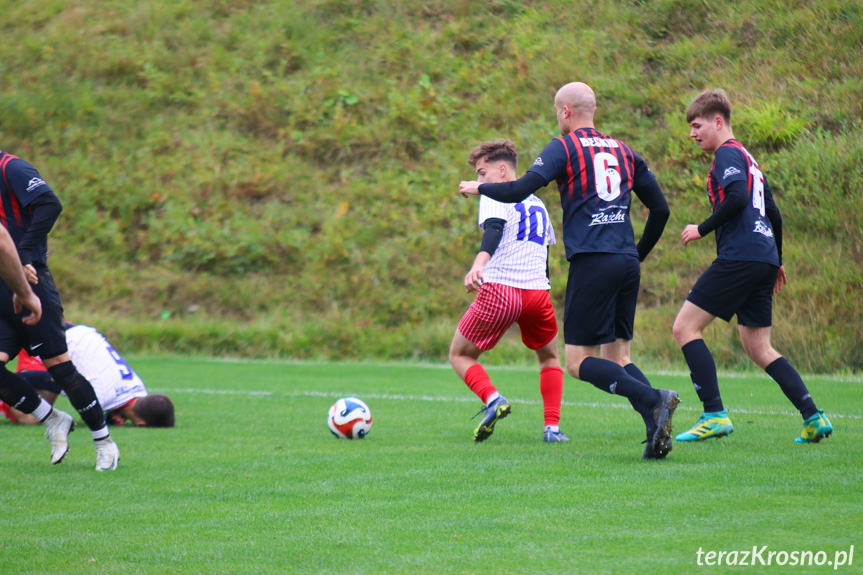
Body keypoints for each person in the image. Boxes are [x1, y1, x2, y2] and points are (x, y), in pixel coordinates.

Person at [459, 82, 678, 459]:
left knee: (577, 362)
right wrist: (636, 254)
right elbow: (661, 210)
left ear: (565, 112)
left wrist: (478, 188)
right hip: (626, 262)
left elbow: (517, 188)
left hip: (593, 261)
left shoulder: (564, 148)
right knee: (619, 358)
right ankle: (655, 428)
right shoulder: (625, 151)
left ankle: (654, 398)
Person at [671, 89, 833, 444]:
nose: (692, 134)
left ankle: (713, 413)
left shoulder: (726, 155)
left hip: (741, 255)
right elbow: (772, 212)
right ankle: (813, 417)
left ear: (718, 121)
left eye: (697, 126)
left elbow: (739, 197)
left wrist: (702, 228)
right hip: (763, 257)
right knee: (759, 347)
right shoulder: (748, 157)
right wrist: (776, 260)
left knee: (685, 328)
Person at [0, 149, 120, 470]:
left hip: (31, 280)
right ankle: (52, 419)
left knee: (60, 368)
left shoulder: (10, 167)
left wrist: (24, 254)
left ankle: (103, 440)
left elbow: (50, 204)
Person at [450, 139, 567, 443]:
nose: (479, 182)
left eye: (481, 173)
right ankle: (552, 429)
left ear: (502, 170)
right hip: (538, 294)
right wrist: (544, 291)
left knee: (460, 354)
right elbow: (543, 255)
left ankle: (492, 399)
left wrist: (479, 263)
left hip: (502, 289)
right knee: (550, 358)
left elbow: (494, 229)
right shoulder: (537, 204)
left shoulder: (493, 194)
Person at [1, 322, 175, 428]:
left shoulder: (139, 389)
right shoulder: (101, 396)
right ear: (141, 423)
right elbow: (49, 381)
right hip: (51, 341)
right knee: (30, 418)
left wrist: (111, 416)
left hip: (73, 332)